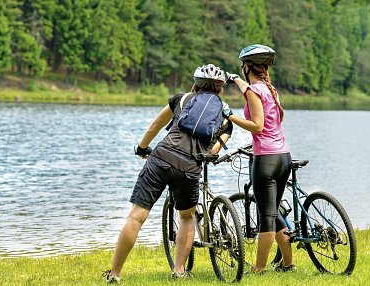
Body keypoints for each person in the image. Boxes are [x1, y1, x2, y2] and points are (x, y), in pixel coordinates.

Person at [103, 64, 233, 284]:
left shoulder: (181, 99)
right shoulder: (226, 115)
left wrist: (142, 148)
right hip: (190, 167)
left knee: (137, 216)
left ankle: (114, 274)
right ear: (220, 89)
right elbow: (213, 151)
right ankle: (179, 270)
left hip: (161, 158)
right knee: (186, 216)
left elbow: (156, 124)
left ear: (196, 83)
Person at [224, 44, 295, 273]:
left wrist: (230, 116)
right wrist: (235, 79)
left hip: (266, 160)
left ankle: (259, 269)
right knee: (274, 214)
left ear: (247, 66)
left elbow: (257, 125)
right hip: (284, 157)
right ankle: (287, 264)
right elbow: (249, 90)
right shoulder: (269, 90)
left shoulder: (255, 91)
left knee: (267, 217)